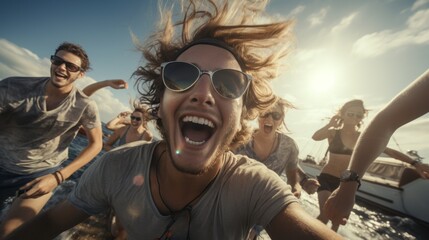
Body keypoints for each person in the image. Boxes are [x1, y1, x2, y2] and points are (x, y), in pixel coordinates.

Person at [4, 1, 342, 239]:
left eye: (228, 83)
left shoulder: (255, 186)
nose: (205, 94)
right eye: (182, 76)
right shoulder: (115, 167)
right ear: (160, 102)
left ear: (243, 116)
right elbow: (47, 226)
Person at [0, 42, 103, 237]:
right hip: (3, 160)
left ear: (80, 74)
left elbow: (96, 144)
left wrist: (57, 177)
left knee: (8, 234)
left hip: (41, 172)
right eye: (58, 61)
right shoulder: (13, 87)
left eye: (71, 66)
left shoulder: (85, 106)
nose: (62, 68)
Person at [324, 69, 429, 228]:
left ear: (362, 118)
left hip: (343, 182)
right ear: (343, 114)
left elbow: (390, 151)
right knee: (324, 216)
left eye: (358, 116)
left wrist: (415, 163)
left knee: (336, 222)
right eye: (350, 114)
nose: (354, 118)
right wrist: (330, 125)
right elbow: (315, 137)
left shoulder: (362, 138)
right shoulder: (333, 133)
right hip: (329, 178)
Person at [234, 96, 320, 239]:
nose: (270, 119)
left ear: (281, 120)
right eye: (265, 113)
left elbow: (293, 179)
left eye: (276, 115)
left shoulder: (289, 146)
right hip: (235, 199)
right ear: (257, 115)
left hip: (264, 204)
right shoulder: (241, 137)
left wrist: (298, 188)